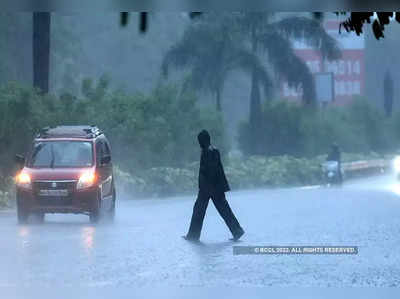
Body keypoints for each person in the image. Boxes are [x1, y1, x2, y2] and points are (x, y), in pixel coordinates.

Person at [183, 130, 245, 242]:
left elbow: (211, 171)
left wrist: (206, 188)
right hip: (214, 187)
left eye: (200, 141)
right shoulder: (213, 150)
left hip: (209, 188)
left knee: (199, 210)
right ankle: (237, 231)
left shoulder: (208, 152)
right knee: (223, 210)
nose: (199, 143)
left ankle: (193, 235)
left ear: (203, 140)